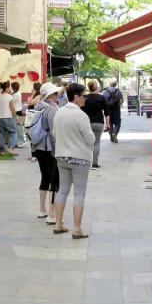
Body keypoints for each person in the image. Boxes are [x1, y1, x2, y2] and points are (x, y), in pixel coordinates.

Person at [51, 83, 95, 239]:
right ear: (76, 97)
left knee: (62, 190)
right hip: (79, 158)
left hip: (61, 156)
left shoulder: (59, 112)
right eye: (84, 96)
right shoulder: (81, 115)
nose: (85, 99)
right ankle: (77, 229)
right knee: (79, 193)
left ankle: (58, 224)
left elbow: (55, 133)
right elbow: (90, 138)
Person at [32, 82, 61, 224]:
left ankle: (42, 209)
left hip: (38, 147)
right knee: (54, 180)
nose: (58, 95)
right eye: (55, 93)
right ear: (50, 95)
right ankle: (51, 214)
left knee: (44, 177)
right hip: (50, 148)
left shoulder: (38, 106)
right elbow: (54, 131)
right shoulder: (51, 109)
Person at [81, 80, 108, 169]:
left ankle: (87, 161)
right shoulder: (101, 98)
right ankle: (95, 163)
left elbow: (81, 111)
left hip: (87, 123)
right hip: (99, 122)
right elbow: (106, 112)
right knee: (97, 142)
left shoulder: (85, 97)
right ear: (97, 87)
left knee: (87, 143)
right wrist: (108, 124)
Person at [0, 82, 18, 154]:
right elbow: (12, 108)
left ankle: (2, 151)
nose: (10, 89)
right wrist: (15, 117)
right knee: (13, 132)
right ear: (6, 88)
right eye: (9, 88)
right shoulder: (9, 97)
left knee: (1, 135)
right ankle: (10, 147)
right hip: (8, 117)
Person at [11, 81, 27, 148]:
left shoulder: (15, 95)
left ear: (13, 88)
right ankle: (19, 142)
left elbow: (10, 102)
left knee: (18, 128)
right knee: (18, 128)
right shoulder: (18, 93)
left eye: (11, 87)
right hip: (18, 112)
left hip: (16, 112)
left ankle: (20, 142)